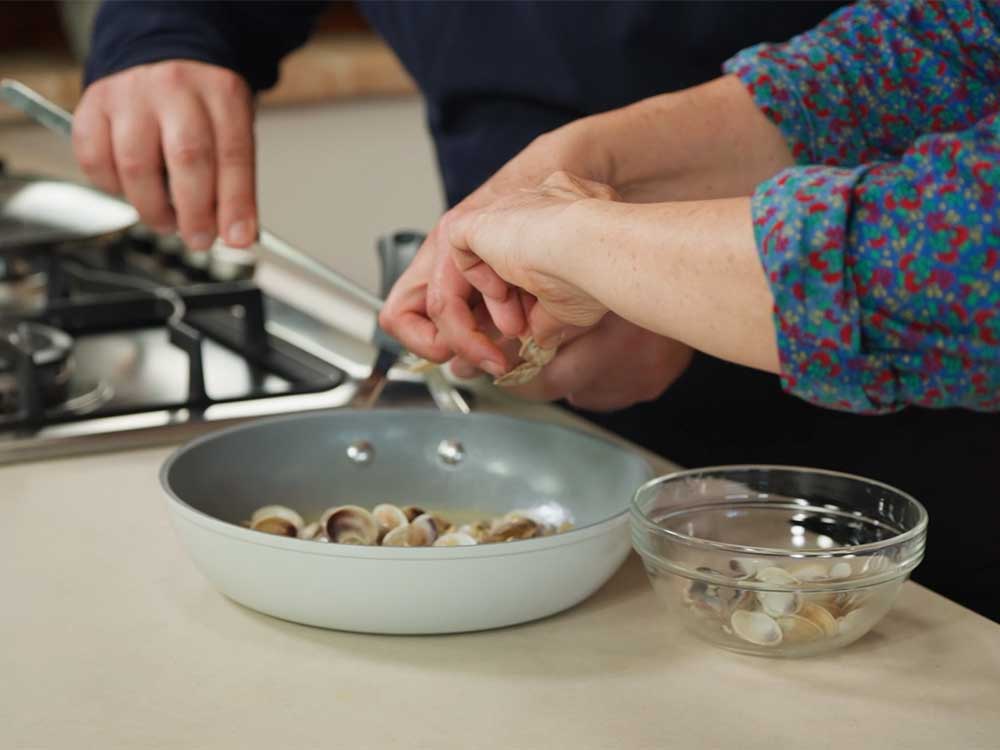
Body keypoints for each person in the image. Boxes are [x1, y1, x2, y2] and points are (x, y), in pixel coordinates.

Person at [74, 2, 997, 621]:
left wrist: (603, 251)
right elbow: (948, 44)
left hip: (931, 455)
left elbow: (963, 251)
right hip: (596, 397)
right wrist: (164, 28)